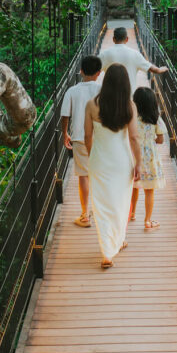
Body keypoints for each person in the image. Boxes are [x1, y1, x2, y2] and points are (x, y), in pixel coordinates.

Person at [84, 64, 142, 269]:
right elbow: (134, 138)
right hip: (121, 162)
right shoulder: (130, 106)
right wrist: (139, 163)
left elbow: (87, 137)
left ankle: (108, 249)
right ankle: (113, 245)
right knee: (120, 203)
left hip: (99, 161)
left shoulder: (91, 105)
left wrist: (93, 157)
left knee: (101, 205)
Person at [60, 55, 103, 228]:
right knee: (101, 175)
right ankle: (102, 212)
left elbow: (65, 115)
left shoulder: (72, 91)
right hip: (100, 137)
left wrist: (65, 133)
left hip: (79, 136)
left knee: (84, 175)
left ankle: (85, 215)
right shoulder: (103, 89)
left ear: (81, 71)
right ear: (99, 73)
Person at [129, 87, 166, 230]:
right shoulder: (155, 118)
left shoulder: (132, 119)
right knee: (149, 190)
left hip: (134, 156)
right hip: (150, 159)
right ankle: (147, 220)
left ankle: (132, 213)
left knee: (134, 187)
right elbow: (161, 140)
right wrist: (151, 141)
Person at [99, 26, 168, 93]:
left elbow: (93, 70)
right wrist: (162, 69)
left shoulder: (104, 54)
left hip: (110, 96)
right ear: (127, 39)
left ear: (113, 39)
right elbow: (153, 69)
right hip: (129, 96)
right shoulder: (135, 54)